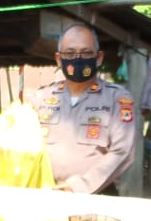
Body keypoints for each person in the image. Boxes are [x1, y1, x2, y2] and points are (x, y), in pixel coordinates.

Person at [32, 23, 137, 194]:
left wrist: (78, 187)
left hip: (95, 196)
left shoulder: (117, 99)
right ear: (59, 59)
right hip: (46, 193)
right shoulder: (41, 98)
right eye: (70, 53)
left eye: (86, 52)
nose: (78, 58)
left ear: (99, 57)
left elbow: (123, 151)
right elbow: (20, 142)